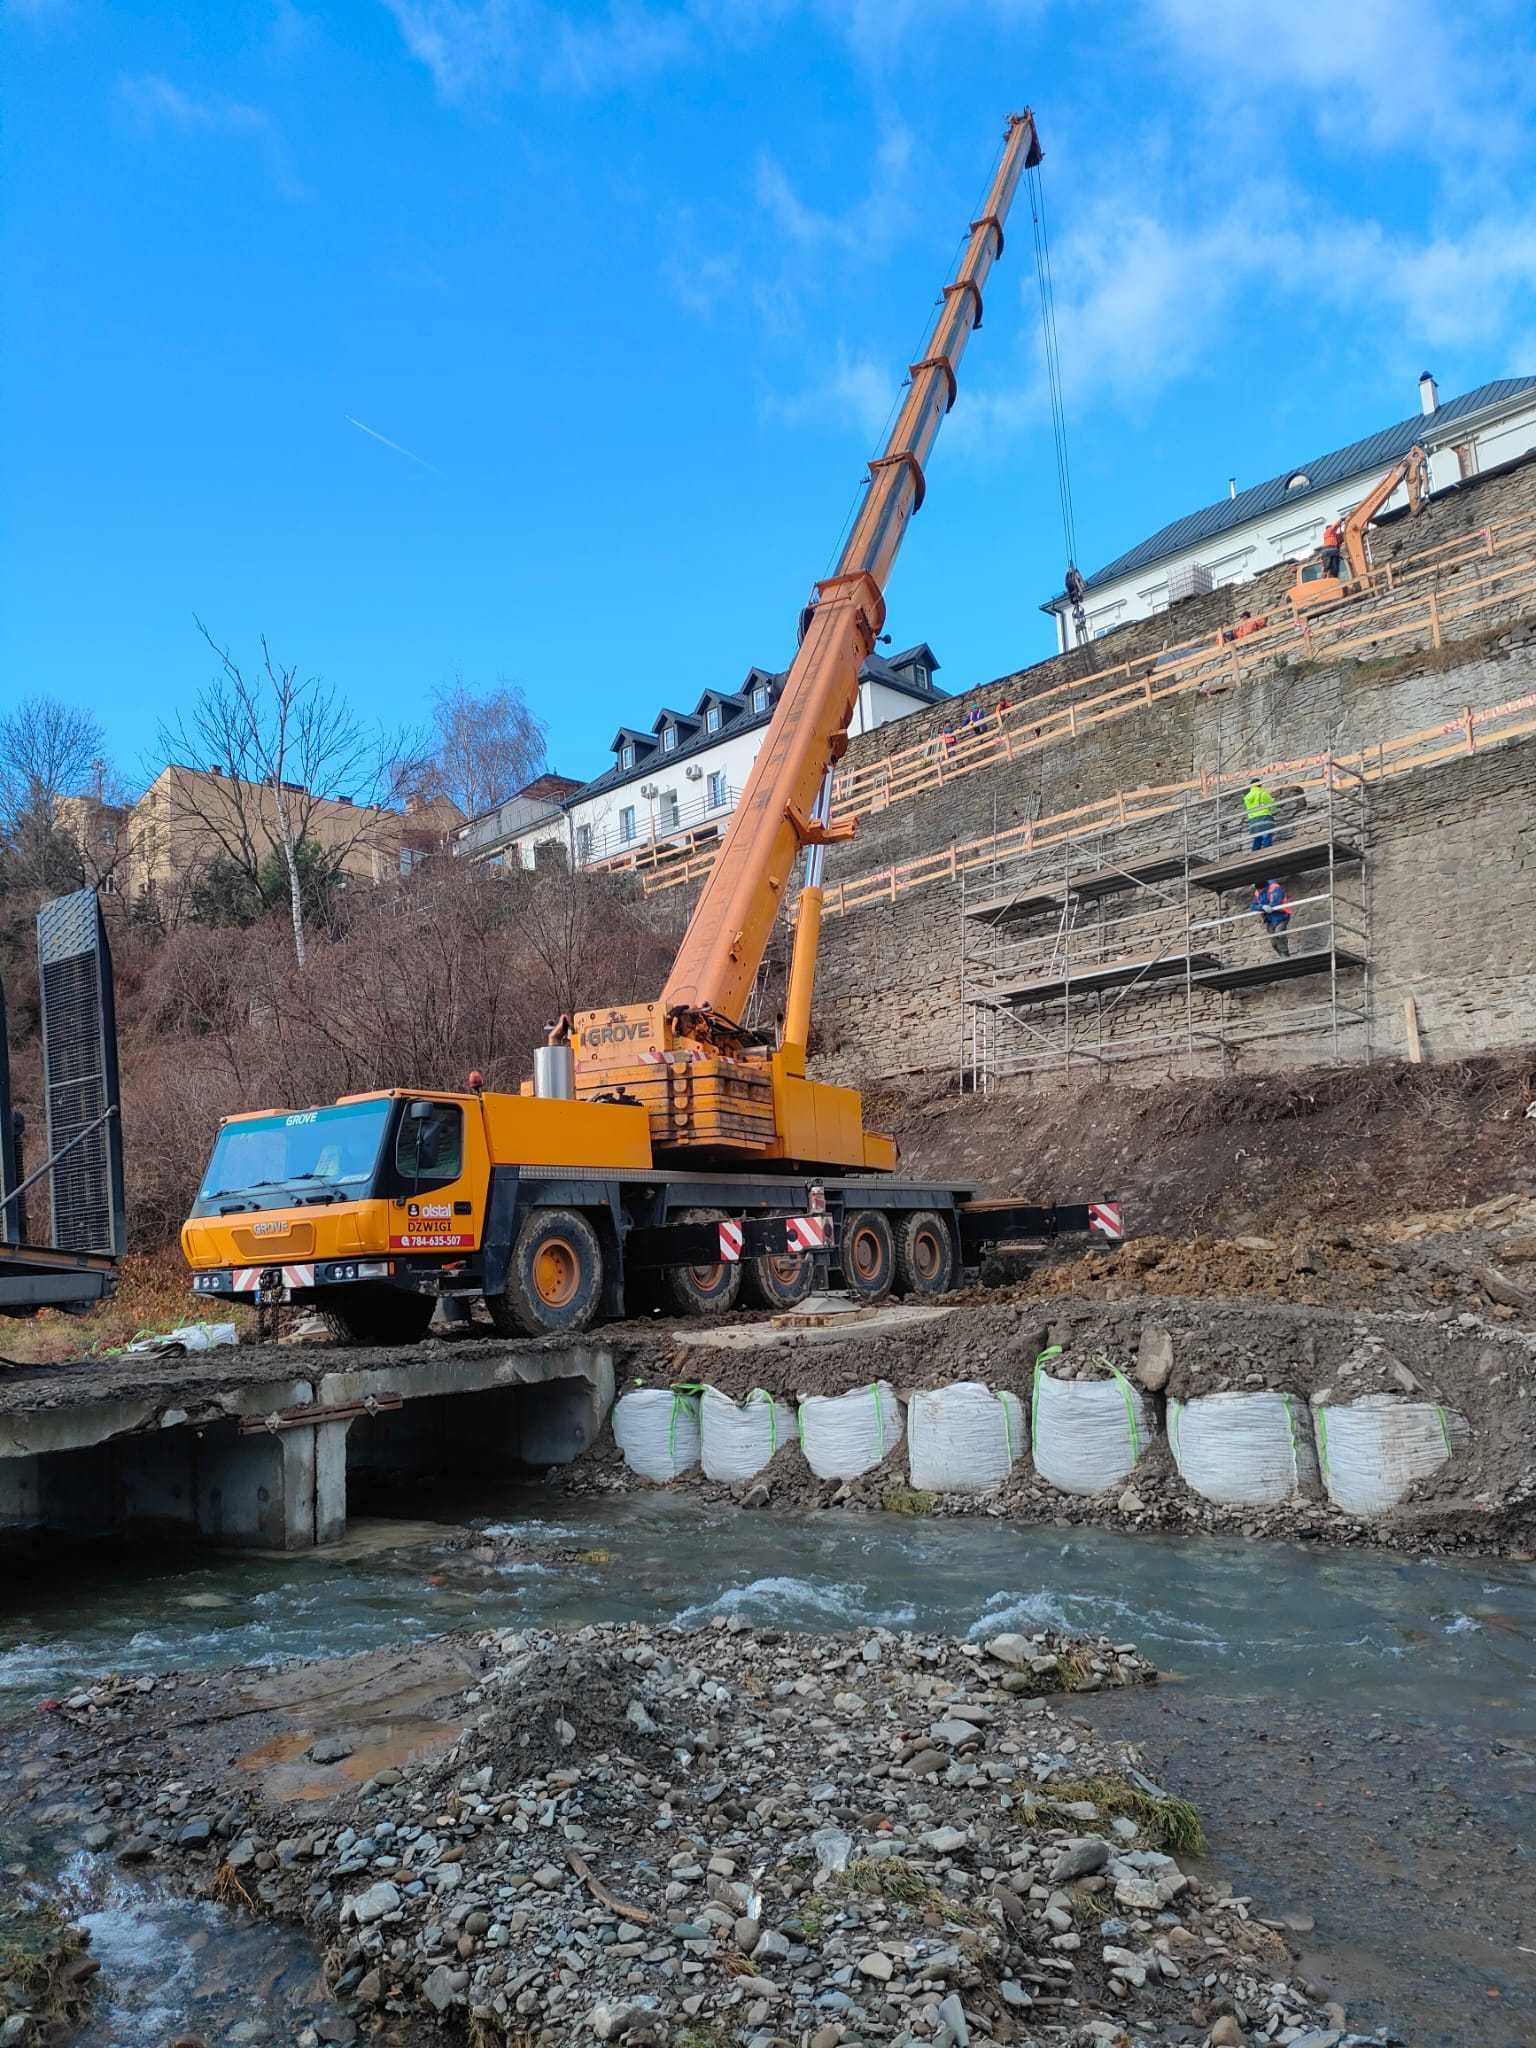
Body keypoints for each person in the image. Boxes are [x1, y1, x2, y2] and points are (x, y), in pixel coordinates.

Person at [1251, 877, 1291, 957]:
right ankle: (1282, 956)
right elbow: (1253, 906)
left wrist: (1269, 907)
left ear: (1265, 887)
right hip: (1269, 920)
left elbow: (1276, 902)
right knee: (1274, 942)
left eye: (1260, 890)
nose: (1258, 891)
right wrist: (1262, 907)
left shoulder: (1275, 888)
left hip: (1282, 916)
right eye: (1257, 890)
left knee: (1279, 933)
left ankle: (1286, 957)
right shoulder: (1258, 891)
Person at [1243, 775, 1276, 850]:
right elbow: (1271, 805)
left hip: (1253, 820)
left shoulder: (1247, 797)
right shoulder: (1263, 793)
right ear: (1260, 784)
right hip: (1264, 817)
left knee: (1257, 838)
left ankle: (1254, 854)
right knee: (1266, 836)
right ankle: (1267, 853)